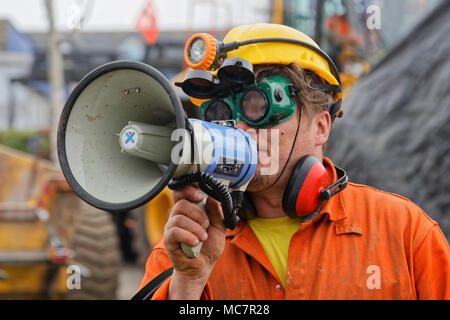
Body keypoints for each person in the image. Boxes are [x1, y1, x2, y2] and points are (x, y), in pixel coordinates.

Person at [138, 23, 450, 300]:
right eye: (222, 114)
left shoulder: (404, 232)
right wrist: (188, 283)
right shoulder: (185, 247)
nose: (240, 127)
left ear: (321, 127)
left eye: (257, 105)